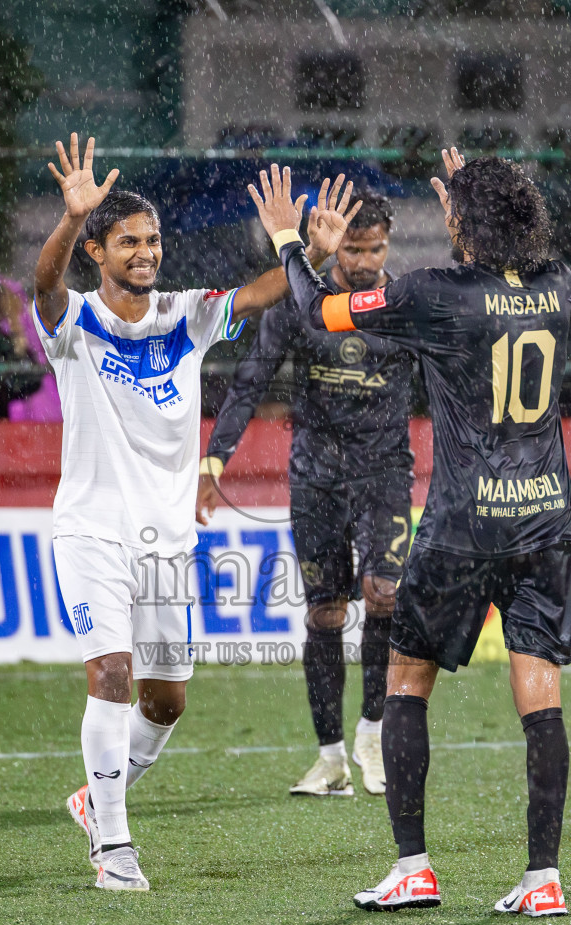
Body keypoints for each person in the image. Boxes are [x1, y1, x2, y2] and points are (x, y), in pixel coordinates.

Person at [249, 151, 571, 917]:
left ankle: (415, 867)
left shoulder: (436, 295)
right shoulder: (558, 285)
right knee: (540, 691)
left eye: (454, 214)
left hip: (465, 522)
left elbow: (317, 314)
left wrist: (292, 247)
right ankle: (544, 879)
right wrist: (483, 196)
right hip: (544, 518)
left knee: (406, 680)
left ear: (464, 223)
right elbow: (510, 260)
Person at [33, 135, 347, 892]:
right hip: (91, 532)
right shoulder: (72, 321)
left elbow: (266, 292)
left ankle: (94, 798)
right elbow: (43, 283)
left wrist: (312, 254)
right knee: (109, 673)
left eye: (153, 240)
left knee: (166, 700)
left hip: (166, 543)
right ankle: (114, 848)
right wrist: (70, 220)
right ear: (99, 253)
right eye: (129, 242)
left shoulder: (187, 315)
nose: (146, 253)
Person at [198, 190, 414, 799]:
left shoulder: (402, 305)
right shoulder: (301, 305)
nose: (368, 261)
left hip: (383, 476)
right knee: (326, 612)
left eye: (377, 249)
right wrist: (214, 460)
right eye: (355, 248)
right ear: (336, 241)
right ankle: (330, 761)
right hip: (316, 477)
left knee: (384, 594)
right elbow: (250, 381)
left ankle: (372, 734)